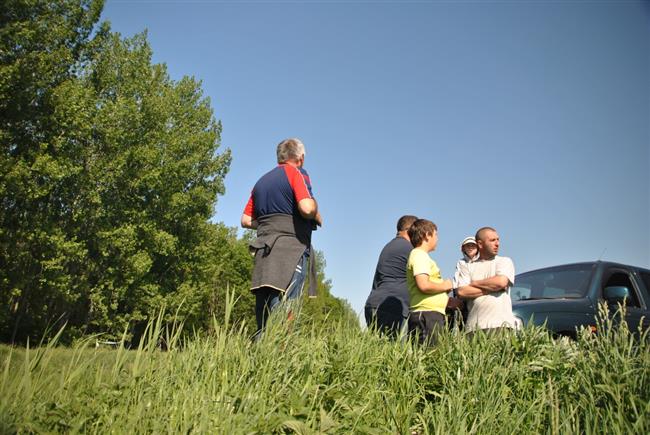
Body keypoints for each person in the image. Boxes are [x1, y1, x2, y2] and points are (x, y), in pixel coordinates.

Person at [241, 138, 323, 338]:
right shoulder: (296, 173)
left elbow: (245, 220)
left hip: (264, 253)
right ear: (301, 158)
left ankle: (260, 362)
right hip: (290, 251)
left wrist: (271, 226)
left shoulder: (261, 182)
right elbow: (306, 207)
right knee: (286, 314)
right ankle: (280, 363)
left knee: (264, 318)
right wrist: (316, 211)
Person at [364, 215, 418, 338]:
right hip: (393, 309)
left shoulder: (388, 247)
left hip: (373, 305)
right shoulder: (410, 250)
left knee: (379, 354)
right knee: (398, 355)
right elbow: (423, 280)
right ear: (411, 231)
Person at [456, 227, 516, 333]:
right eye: (492, 240)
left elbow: (501, 282)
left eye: (498, 240)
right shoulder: (467, 266)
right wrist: (493, 288)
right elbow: (462, 291)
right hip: (474, 328)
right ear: (480, 244)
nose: (497, 243)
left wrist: (474, 283)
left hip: (501, 325)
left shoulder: (504, 261)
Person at [406, 219, 454, 346]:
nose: (437, 239)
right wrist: (445, 285)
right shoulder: (419, 255)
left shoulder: (420, 255)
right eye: (436, 234)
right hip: (427, 315)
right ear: (427, 235)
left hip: (429, 314)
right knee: (431, 357)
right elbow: (424, 285)